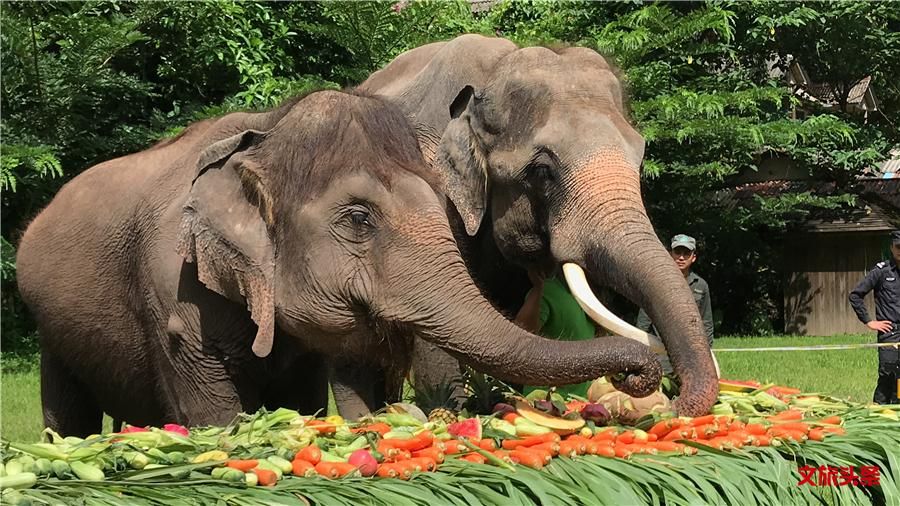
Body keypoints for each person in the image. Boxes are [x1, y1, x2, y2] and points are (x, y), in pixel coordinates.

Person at [514, 267, 597, 398]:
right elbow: (520, 333)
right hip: (545, 402)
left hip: (584, 405)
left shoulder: (590, 297)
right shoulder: (548, 290)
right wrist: (538, 290)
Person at [849, 230, 900, 404]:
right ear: (891, 248)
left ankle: (897, 407)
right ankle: (879, 409)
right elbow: (855, 295)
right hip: (890, 331)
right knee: (888, 372)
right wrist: (869, 322)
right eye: (898, 247)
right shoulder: (881, 271)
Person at [635, 234, 714, 347]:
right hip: (659, 348)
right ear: (670, 254)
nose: (681, 258)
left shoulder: (701, 285)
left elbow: (706, 322)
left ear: (693, 257)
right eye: (677, 252)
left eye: (686, 254)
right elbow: (644, 320)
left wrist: (708, 351)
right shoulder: (656, 282)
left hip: (690, 349)